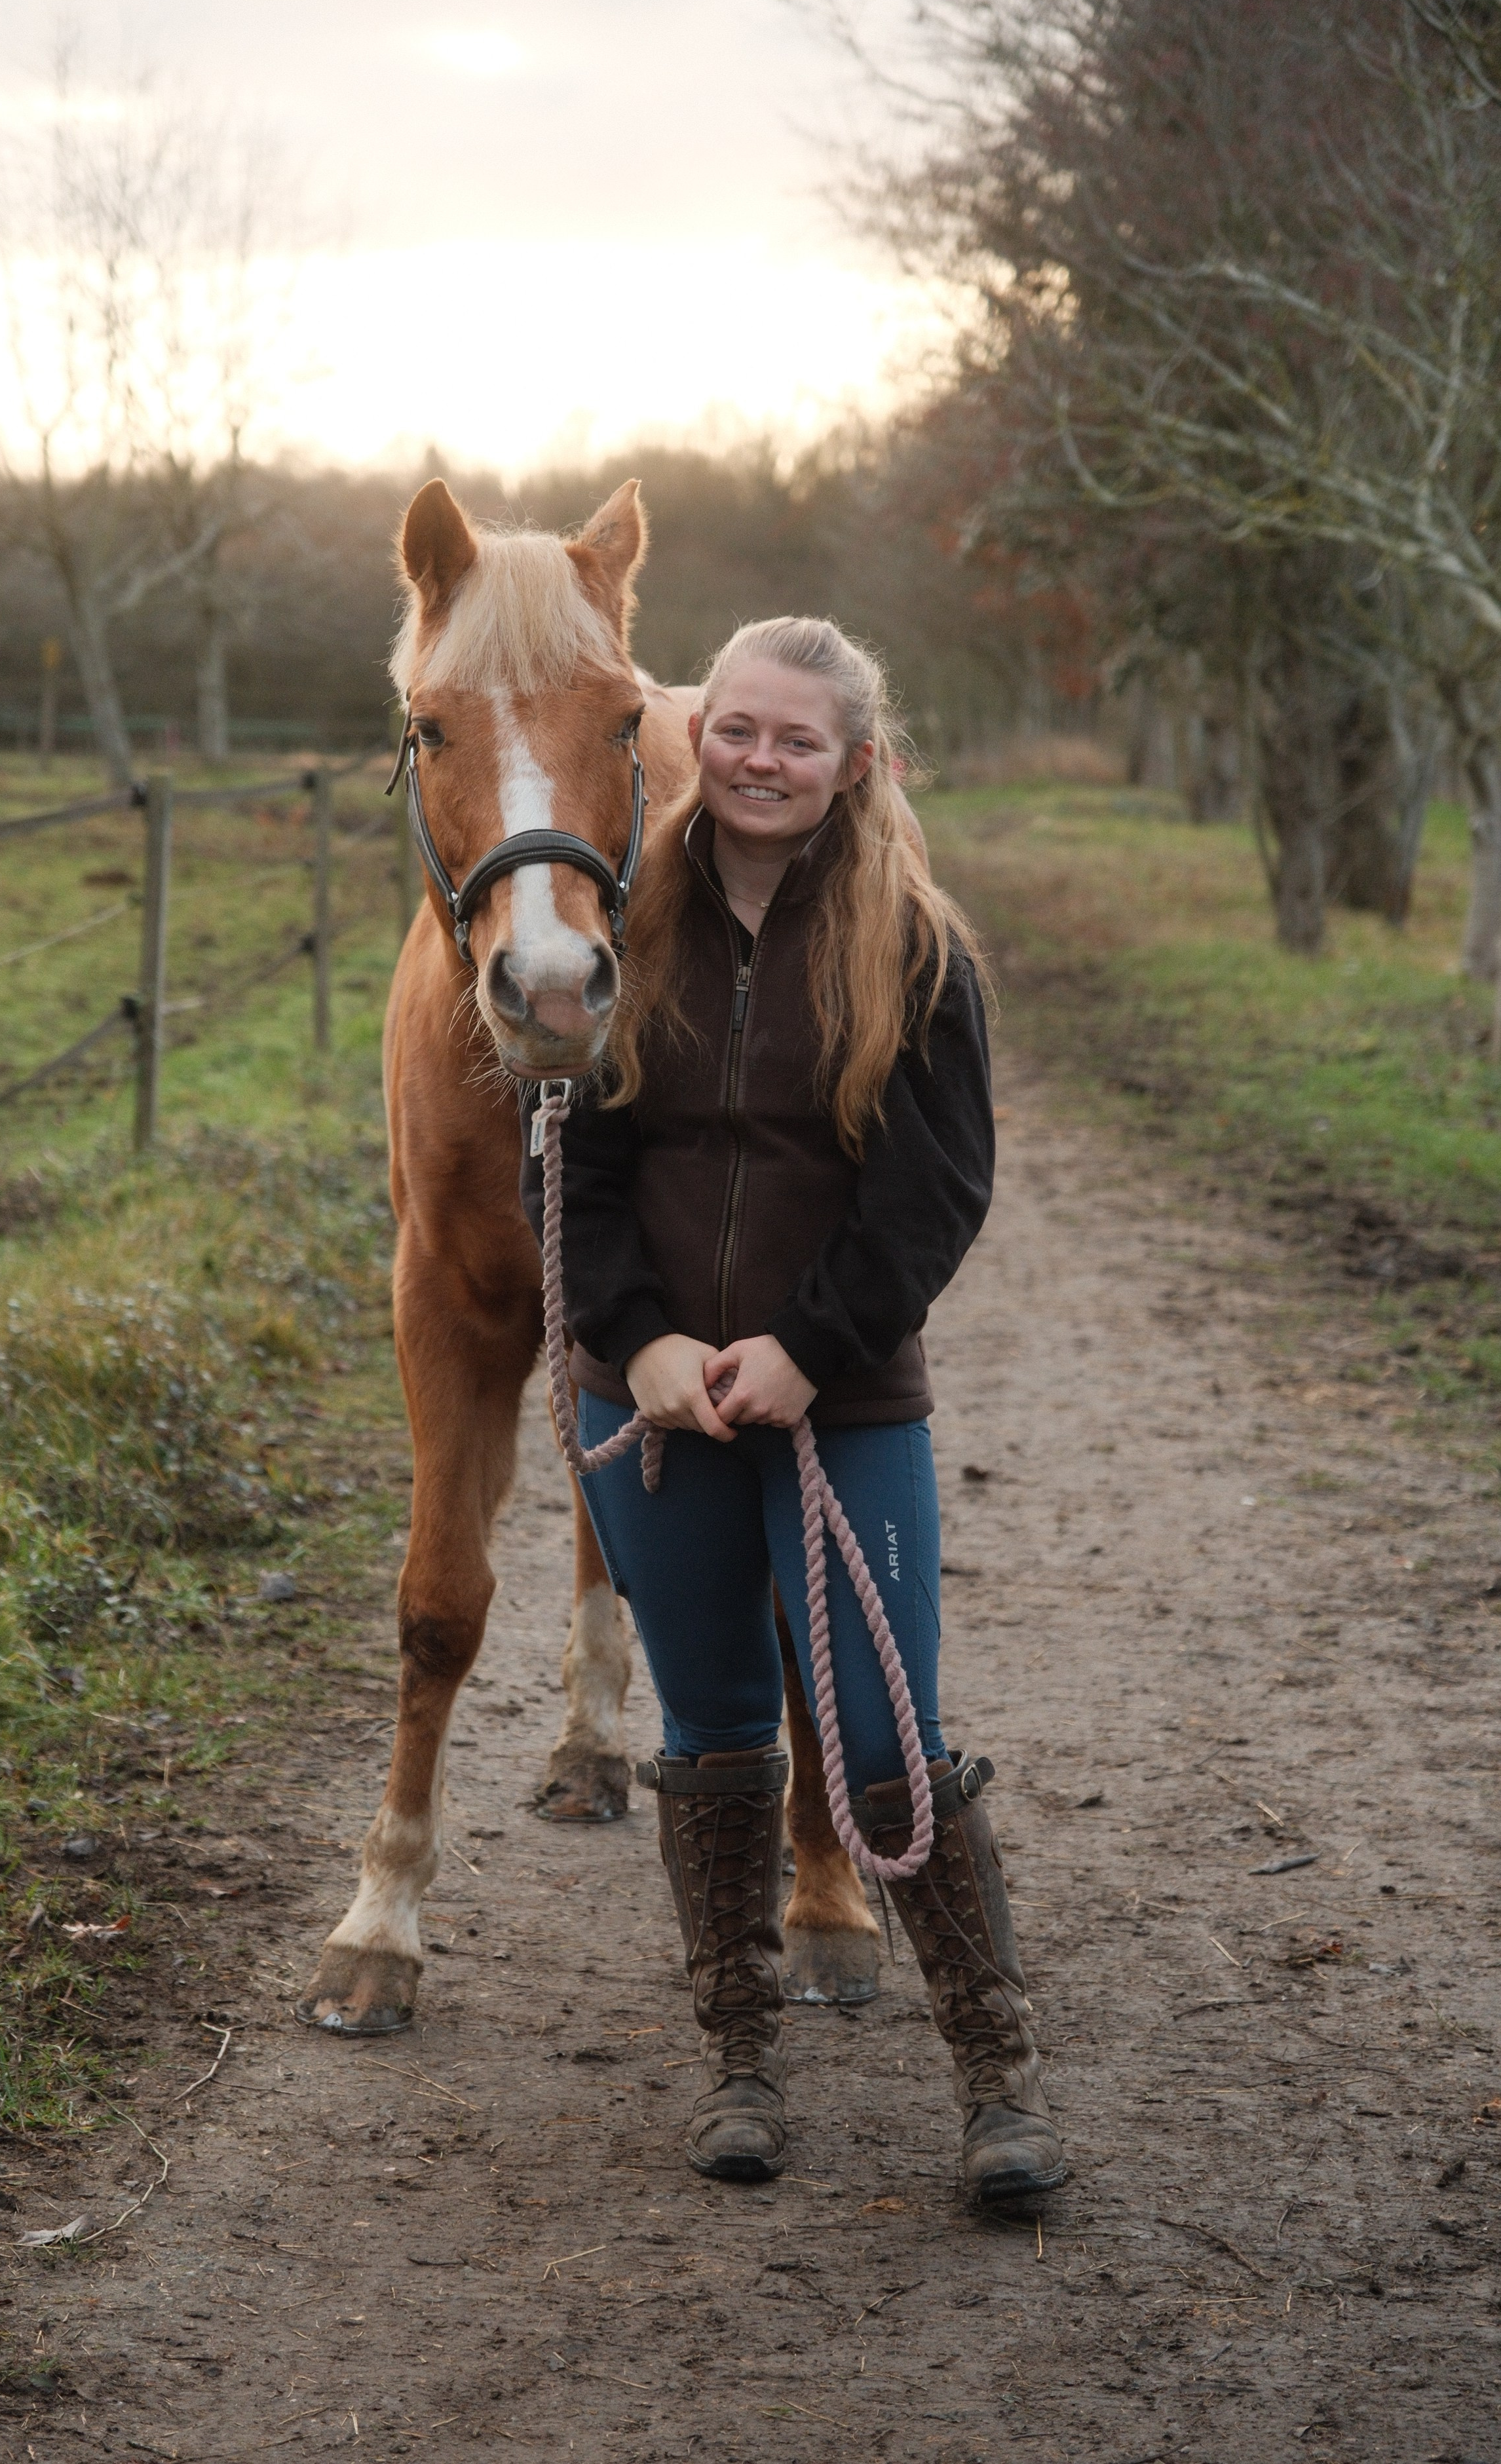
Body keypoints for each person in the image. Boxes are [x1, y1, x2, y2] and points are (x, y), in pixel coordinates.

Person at [520, 616, 1065, 2206]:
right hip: (659, 1406)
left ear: (854, 763)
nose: (758, 760)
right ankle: (741, 2064)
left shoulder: (915, 945)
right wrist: (640, 1343)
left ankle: (995, 2078)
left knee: (886, 1737)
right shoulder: (620, 923)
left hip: (845, 1404)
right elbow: (572, 1167)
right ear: (699, 736)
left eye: (796, 740)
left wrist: (808, 1348)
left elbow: (934, 1189)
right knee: (709, 1733)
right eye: (736, 729)